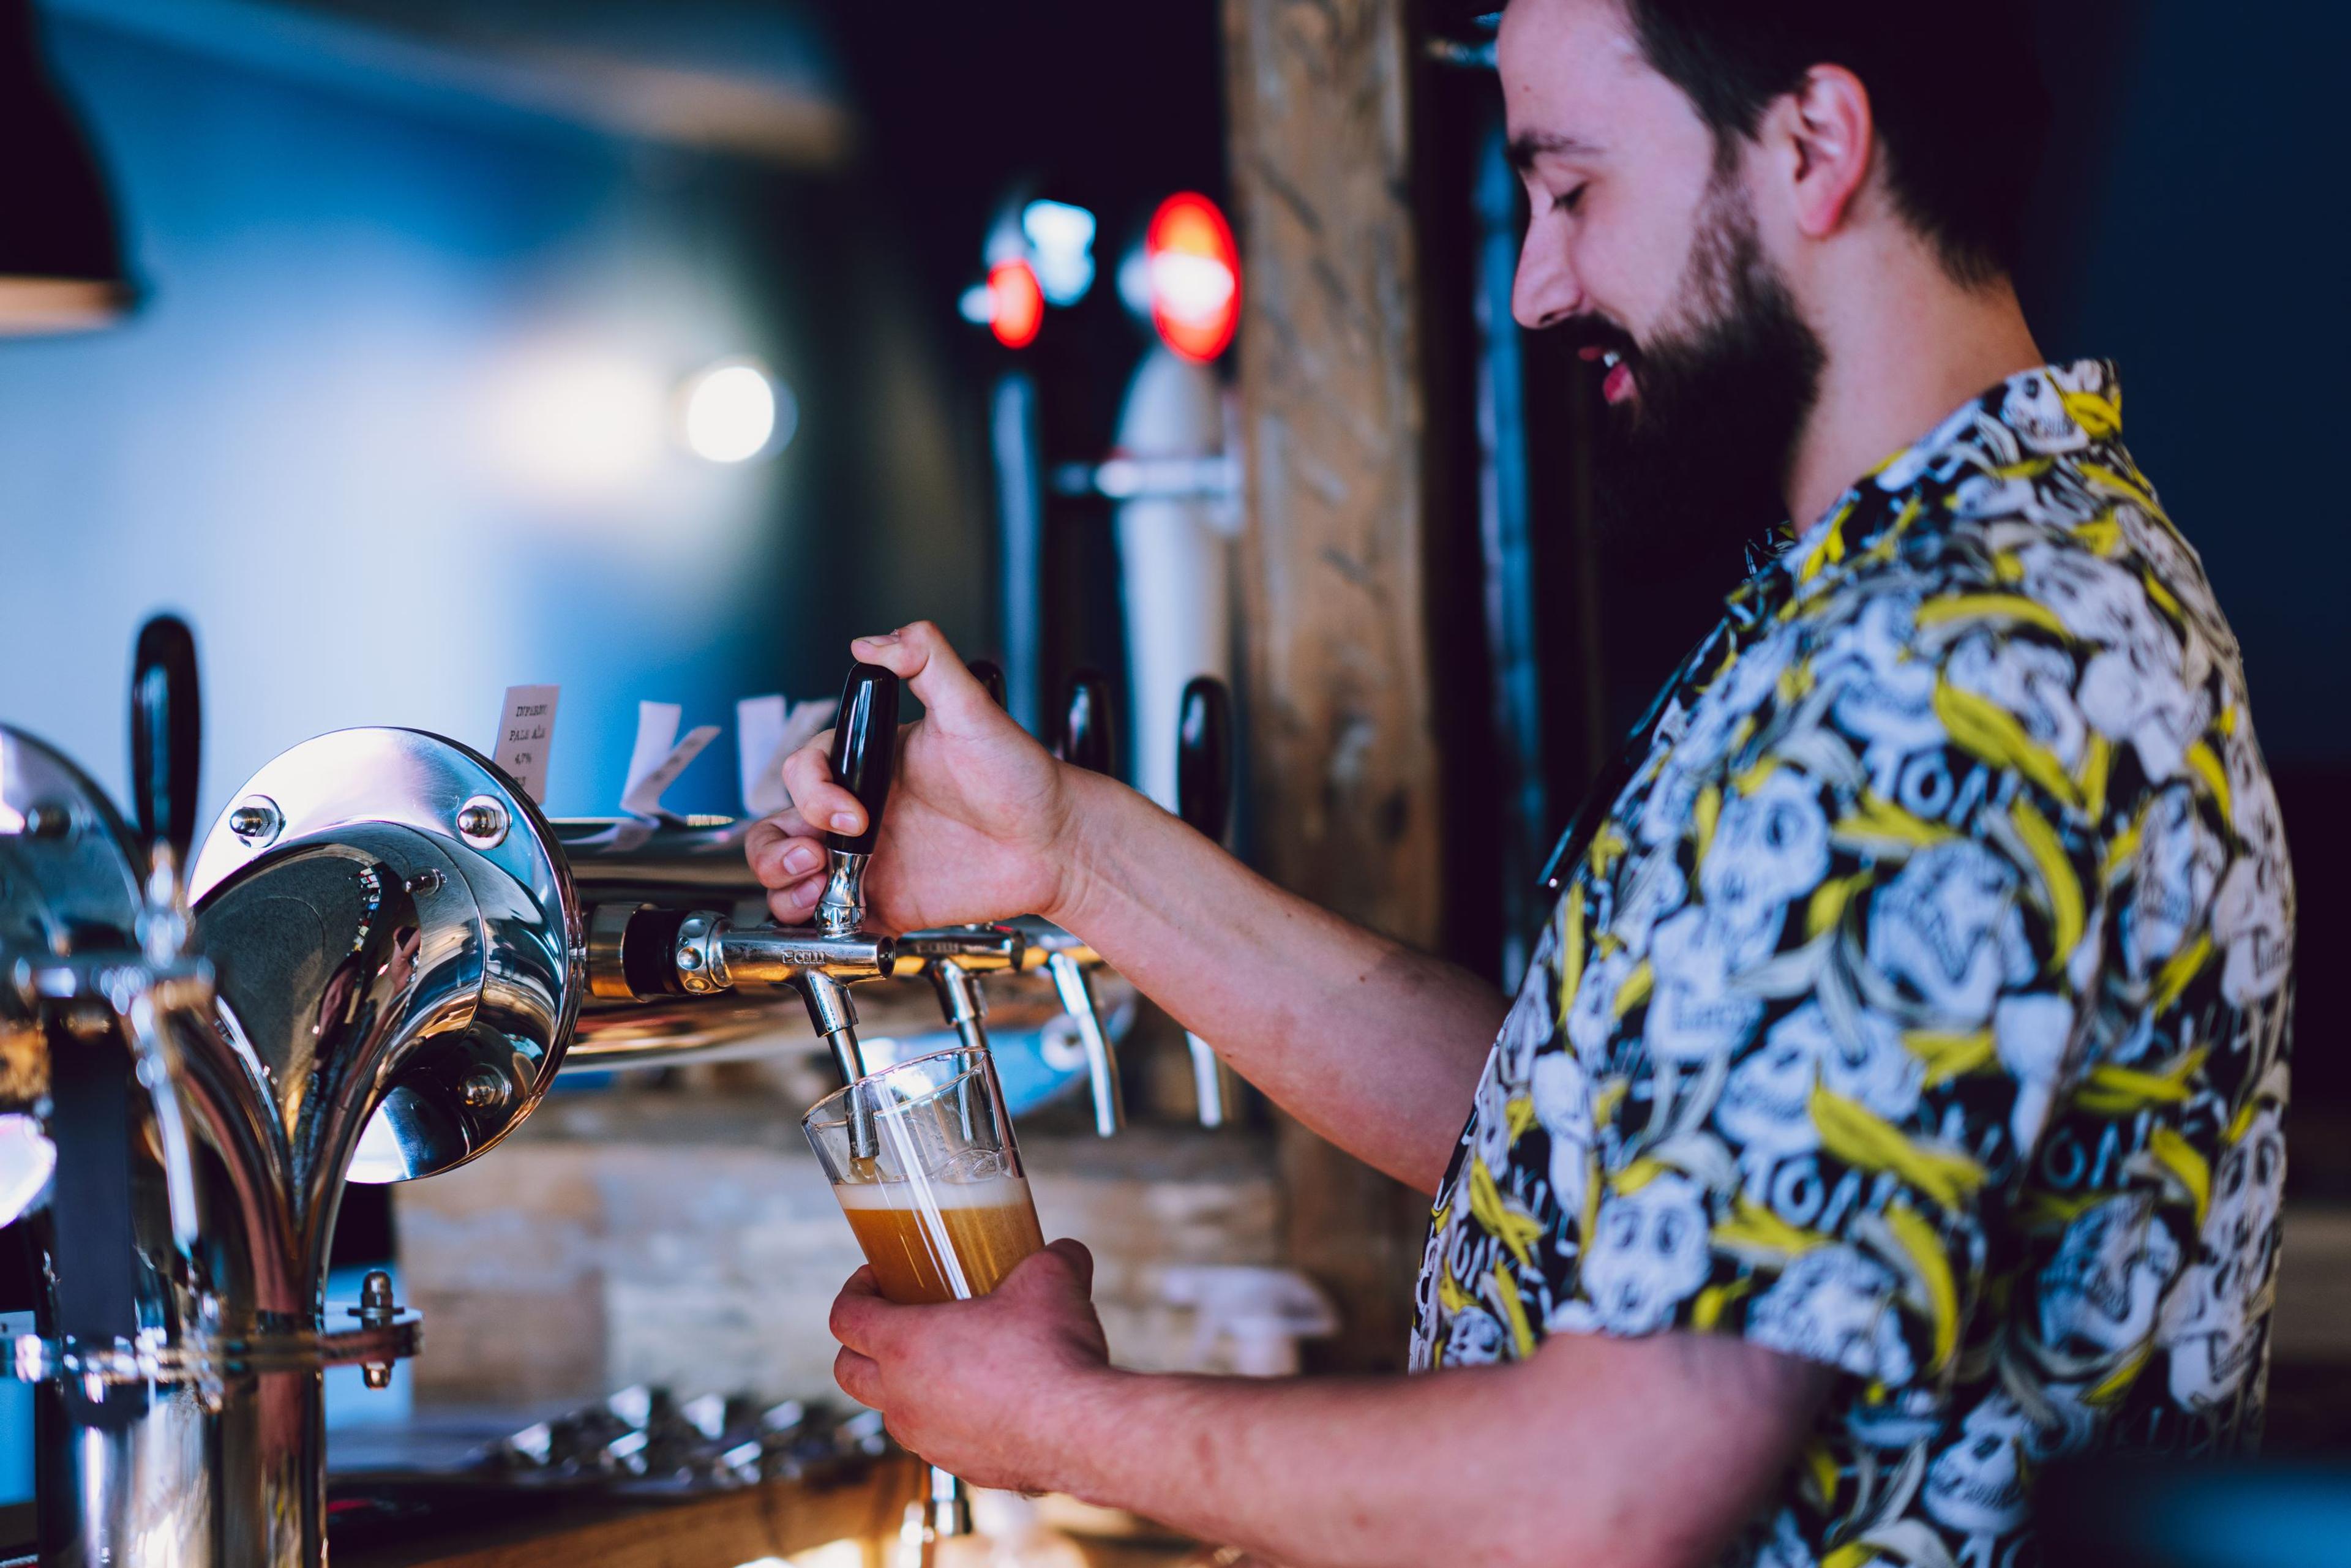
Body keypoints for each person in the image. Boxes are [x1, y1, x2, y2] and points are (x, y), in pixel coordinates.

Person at [748, 1, 2296, 1563]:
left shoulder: (1947, 665)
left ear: (1817, 148)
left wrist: (1057, 1421)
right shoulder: (1929, 592)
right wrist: (1069, 849)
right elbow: (1567, 1142)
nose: (1534, 285)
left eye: (1573, 190)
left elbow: (1614, 1488)